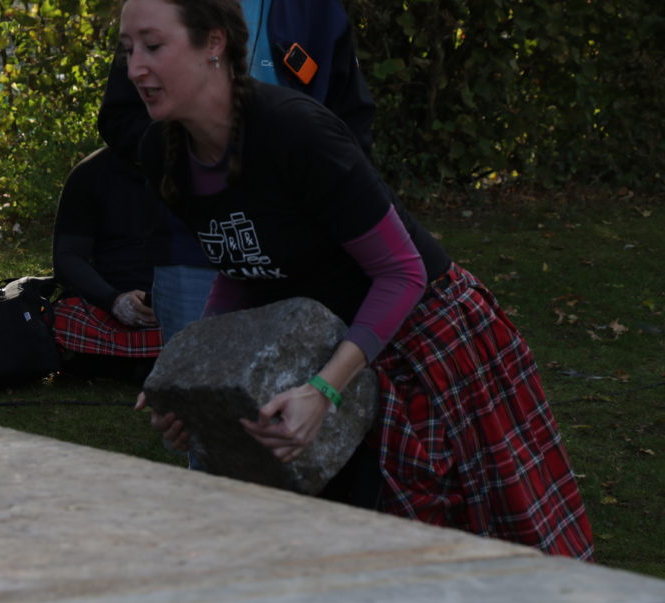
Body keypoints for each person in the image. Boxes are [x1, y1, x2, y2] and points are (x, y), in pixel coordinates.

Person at [119, 0, 594, 559]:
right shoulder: (163, 152)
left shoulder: (297, 132)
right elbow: (240, 266)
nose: (135, 68)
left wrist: (324, 390)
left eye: (153, 46)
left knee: (457, 553)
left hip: (423, 341)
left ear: (214, 44)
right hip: (327, 344)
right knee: (335, 555)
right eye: (128, 50)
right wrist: (194, 382)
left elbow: (402, 272)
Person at [99, 0, 377, 342]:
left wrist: (343, 205)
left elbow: (352, 117)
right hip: (197, 248)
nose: (136, 66)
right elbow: (120, 118)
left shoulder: (315, 9)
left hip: (307, 246)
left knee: (308, 368)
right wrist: (195, 154)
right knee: (199, 368)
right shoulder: (158, 9)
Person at [51, 146, 166, 383]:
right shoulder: (90, 173)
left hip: (185, 300)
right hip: (107, 308)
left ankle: (132, 362)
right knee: (62, 317)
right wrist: (114, 300)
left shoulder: (199, 169)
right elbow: (68, 257)